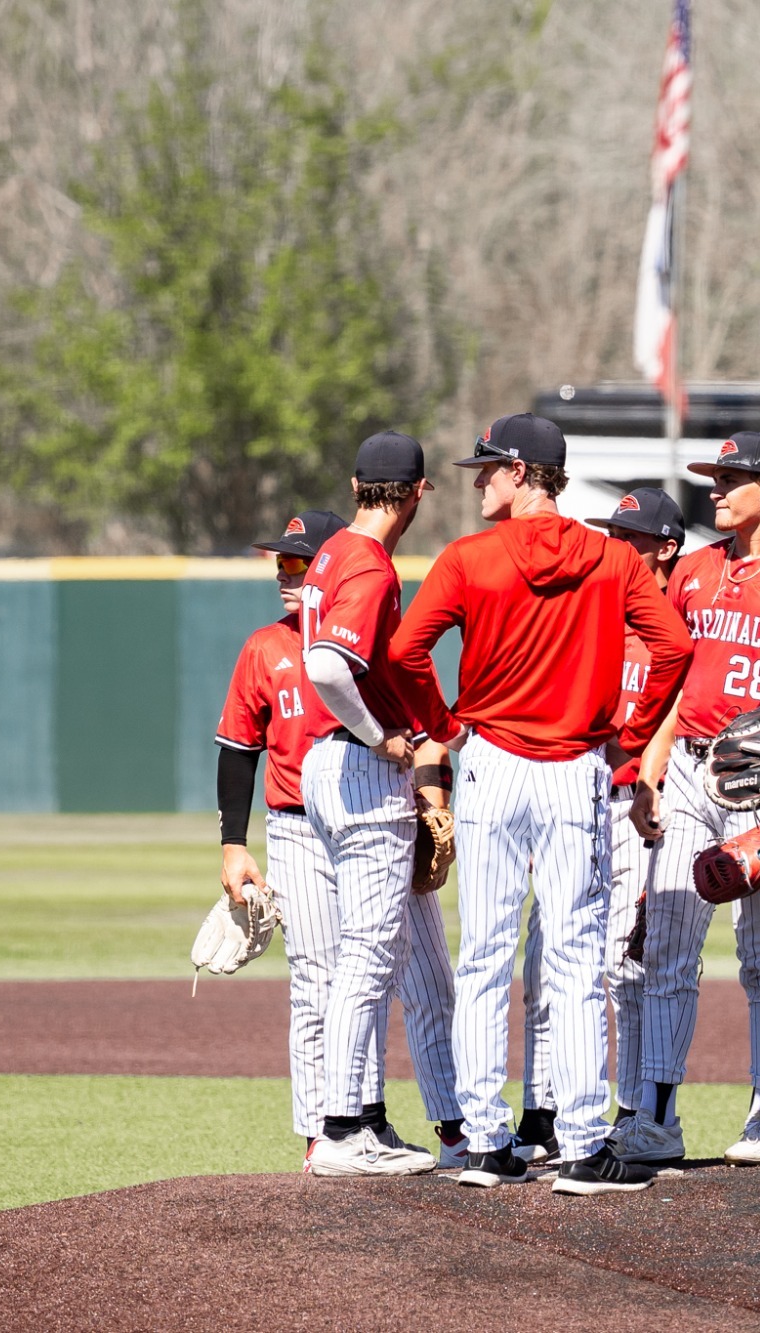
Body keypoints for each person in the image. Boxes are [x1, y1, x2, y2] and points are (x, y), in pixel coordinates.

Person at [390, 413, 692, 1196]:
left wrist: (443, 724)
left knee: (486, 952)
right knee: (573, 958)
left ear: (524, 471)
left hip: (492, 761)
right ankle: (585, 1145)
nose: (480, 479)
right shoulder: (613, 558)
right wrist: (629, 731)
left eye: (490, 468)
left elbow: (402, 650)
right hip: (572, 767)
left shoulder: (469, 559)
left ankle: (488, 1144)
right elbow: (676, 647)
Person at [621, 433, 760, 1168]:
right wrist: (651, 766)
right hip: (691, 771)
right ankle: (659, 1114)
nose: (716, 489)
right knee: (668, 944)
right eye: (716, 476)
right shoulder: (696, 569)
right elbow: (675, 681)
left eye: (731, 477)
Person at [294, 432, 460, 1177]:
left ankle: (381, 1120)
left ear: (358, 482)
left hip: (328, 767)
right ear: (418, 492)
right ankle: (339, 1129)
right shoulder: (368, 560)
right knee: (364, 956)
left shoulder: (330, 551)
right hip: (358, 761)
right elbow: (327, 663)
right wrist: (384, 737)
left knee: (395, 956)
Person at [516, 488, 685, 1147]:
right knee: (544, 961)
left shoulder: (677, 622)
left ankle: (634, 1109)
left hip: (640, 808)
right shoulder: (592, 612)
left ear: (665, 546)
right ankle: (543, 1106)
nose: (616, 544)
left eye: (631, 535)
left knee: (623, 963)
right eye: (611, 532)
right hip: (574, 798)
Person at [214, 509, 351, 1170]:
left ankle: (444, 1127)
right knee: (314, 981)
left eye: (298, 561)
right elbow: (238, 748)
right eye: (280, 562)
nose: (283, 573)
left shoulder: (367, 637)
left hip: (368, 822)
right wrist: (233, 844)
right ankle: (319, 1134)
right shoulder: (265, 646)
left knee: (401, 974)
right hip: (294, 825)